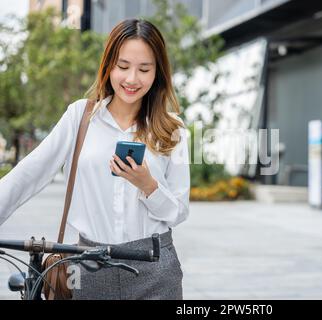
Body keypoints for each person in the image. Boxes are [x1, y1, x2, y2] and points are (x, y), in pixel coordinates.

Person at [0, 18, 190, 300]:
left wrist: (148, 186)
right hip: (87, 267)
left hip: (155, 270)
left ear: (158, 72)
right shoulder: (80, 117)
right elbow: (29, 173)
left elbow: (179, 211)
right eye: (123, 67)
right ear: (108, 65)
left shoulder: (172, 129)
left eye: (144, 69)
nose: (132, 79)